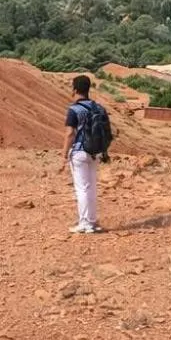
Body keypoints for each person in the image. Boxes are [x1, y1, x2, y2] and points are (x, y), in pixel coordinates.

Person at [63, 75, 106, 234]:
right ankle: (93, 221)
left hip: (80, 152)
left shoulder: (74, 110)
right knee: (92, 187)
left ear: (75, 90)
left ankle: (84, 223)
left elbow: (69, 134)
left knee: (82, 188)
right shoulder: (98, 108)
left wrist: (64, 153)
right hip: (96, 152)